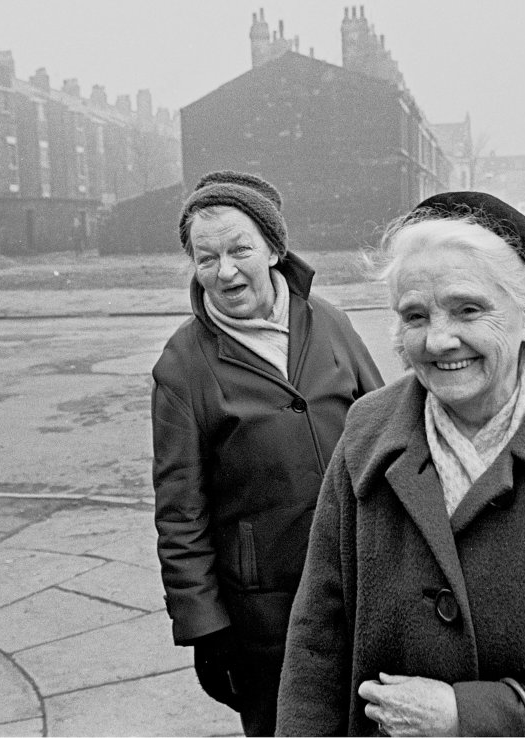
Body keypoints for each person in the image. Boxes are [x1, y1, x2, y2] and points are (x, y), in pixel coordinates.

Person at [276, 191, 525, 736]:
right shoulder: (366, 436)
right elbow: (317, 642)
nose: (439, 339)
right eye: (414, 316)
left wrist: (467, 717)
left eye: (468, 309)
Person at [151, 170, 383, 736]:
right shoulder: (183, 364)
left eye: (239, 249)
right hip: (265, 616)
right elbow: (180, 509)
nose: (224, 270)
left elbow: (388, 436)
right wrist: (206, 628)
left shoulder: (329, 321)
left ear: (274, 249)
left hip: (365, 586)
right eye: (206, 258)